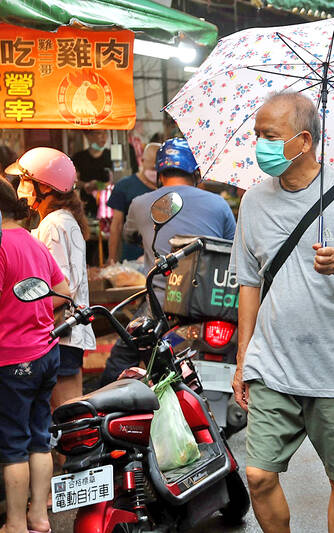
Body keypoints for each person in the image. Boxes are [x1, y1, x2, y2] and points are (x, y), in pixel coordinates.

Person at [229, 92, 334, 533]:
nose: (259, 144)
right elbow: (249, 282)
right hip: (272, 364)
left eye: (269, 135)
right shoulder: (253, 200)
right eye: (257, 135)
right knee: (259, 476)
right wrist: (243, 356)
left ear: (303, 140)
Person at [98, 138, 236, 388]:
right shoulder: (219, 203)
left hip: (161, 304)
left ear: (160, 175)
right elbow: (231, 249)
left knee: (118, 364)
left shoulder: (141, 203)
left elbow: (131, 235)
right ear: (196, 173)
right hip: (213, 304)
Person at [0, 178, 71, 533]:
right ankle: (39, 519)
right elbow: (64, 291)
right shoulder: (33, 241)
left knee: (13, 442)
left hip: (12, 359)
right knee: (39, 437)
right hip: (46, 352)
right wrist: (33, 309)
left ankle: (14, 524)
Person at [9, 148, 96, 410]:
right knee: (68, 418)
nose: (21, 188)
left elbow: (60, 291)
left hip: (63, 335)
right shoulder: (61, 220)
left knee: (69, 418)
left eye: (26, 181)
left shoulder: (54, 224)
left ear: (45, 187)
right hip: (68, 334)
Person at [107, 142, 160, 262]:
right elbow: (116, 225)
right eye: (152, 168)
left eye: (158, 169)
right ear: (142, 161)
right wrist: (112, 258)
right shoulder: (124, 186)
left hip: (160, 256)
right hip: (132, 257)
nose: (155, 173)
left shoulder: (167, 188)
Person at [71, 130, 113, 218]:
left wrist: (100, 186)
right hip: (86, 206)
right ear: (88, 136)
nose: (104, 137)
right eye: (99, 133)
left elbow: (116, 181)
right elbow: (73, 181)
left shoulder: (111, 156)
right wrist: (85, 185)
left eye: (105, 133)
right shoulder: (79, 158)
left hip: (107, 208)